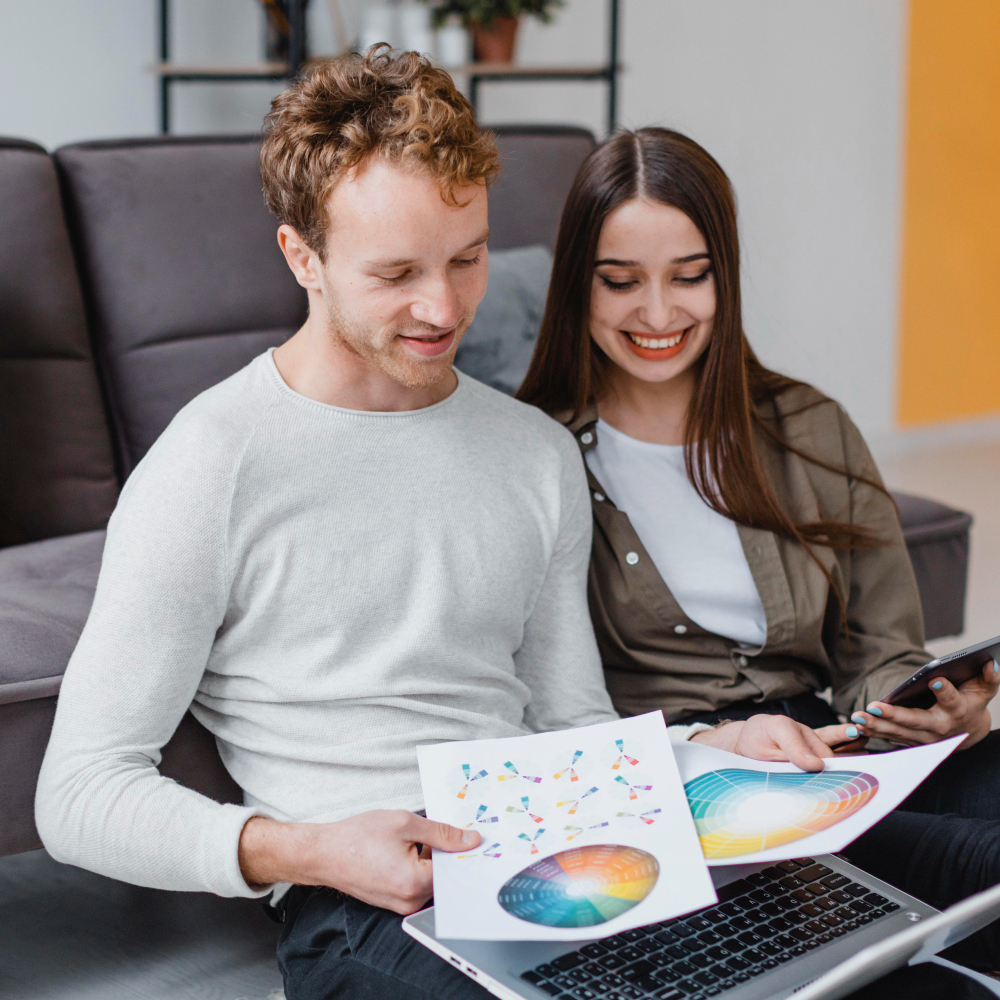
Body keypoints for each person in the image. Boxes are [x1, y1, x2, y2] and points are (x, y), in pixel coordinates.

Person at [33, 53, 842, 1000]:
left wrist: (703, 749)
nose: (445, 308)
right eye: (396, 273)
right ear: (303, 258)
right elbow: (79, 793)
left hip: (562, 850)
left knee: (864, 962)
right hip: (361, 903)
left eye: (467, 258)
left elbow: (569, 725)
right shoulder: (211, 463)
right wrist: (309, 851)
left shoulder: (533, 454)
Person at [518, 126, 1000, 969]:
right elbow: (550, 714)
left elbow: (882, 651)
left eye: (690, 277)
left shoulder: (807, 428)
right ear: (575, 289)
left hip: (841, 747)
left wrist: (934, 707)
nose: (659, 315)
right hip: (692, 785)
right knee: (978, 866)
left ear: (725, 276)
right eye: (620, 282)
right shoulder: (535, 457)